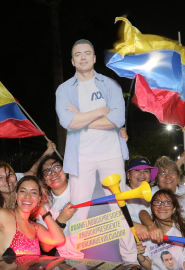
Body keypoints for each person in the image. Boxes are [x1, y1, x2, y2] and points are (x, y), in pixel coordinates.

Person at [55, 38, 133, 260]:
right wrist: (101, 110)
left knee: (119, 207)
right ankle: (74, 256)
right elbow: (67, 121)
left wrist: (81, 118)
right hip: (81, 157)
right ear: (72, 61)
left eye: (87, 53)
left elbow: (117, 119)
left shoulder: (110, 85)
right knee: (79, 208)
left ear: (94, 58)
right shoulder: (64, 89)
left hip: (111, 154)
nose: (82, 57)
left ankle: (129, 259)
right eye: (78, 54)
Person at [0, 175, 65, 255]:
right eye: (23, 191)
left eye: (33, 193)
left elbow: (59, 239)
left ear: (39, 198)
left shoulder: (35, 227)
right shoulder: (2, 216)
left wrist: (44, 213)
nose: (27, 196)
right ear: (16, 195)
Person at [136, 189, 185, 270]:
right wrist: (139, 254)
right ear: (152, 208)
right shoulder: (147, 234)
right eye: (157, 202)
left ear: (174, 209)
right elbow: (149, 266)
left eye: (167, 203)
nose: (162, 206)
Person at [36, 154, 76, 256]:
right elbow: (46, 247)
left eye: (57, 167)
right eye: (47, 172)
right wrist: (61, 220)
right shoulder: (44, 207)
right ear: (43, 179)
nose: (53, 173)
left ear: (65, 170)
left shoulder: (81, 186)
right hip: (69, 260)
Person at [123, 157, 158, 240]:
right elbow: (112, 218)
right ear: (128, 175)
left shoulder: (156, 193)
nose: (142, 174)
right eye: (137, 170)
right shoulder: (121, 192)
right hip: (126, 245)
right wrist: (133, 225)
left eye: (146, 171)